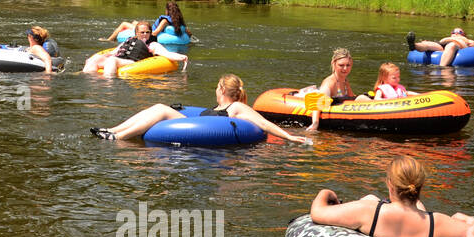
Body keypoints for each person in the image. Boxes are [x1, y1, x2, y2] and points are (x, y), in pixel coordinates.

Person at [309, 156, 474, 237]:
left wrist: (325, 192)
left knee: (370, 198)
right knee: (416, 209)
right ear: (421, 186)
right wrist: (462, 218)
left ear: (389, 184)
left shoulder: (366, 211)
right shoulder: (439, 224)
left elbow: (317, 213)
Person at [92, 74, 312, 143]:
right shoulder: (220, 105)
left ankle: (119, 137)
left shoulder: (236, 107)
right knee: (157, 107)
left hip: (204, 131)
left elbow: (263, 123)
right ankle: (113, 129)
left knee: (160, 108)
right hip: (193, 123)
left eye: (217, 86)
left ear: (223, 89)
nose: (215, 90)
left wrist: (289, 137)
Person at [82, 21, 188, 75]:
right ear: (137, 33)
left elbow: (167, 54)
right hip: (120, 58)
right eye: (142, 32)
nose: (145, 34)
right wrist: (102, 55)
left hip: (132, 62)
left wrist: (181, 57)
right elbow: (115, 51)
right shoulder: (130, 40)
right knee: (95, 58)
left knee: (112, 60)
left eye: (147, 32)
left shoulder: (152, 45)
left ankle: (108, 85)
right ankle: (89, 79)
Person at [292, 47, 354, 133]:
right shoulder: (329, 83)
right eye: (341, 65)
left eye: (348, 65)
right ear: (334, 64)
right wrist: (315, 123)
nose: (345, 69)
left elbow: (352, 98)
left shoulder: (345, 81)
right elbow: (318, 104)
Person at [407, 28, 474, 66]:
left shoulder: (466, 39)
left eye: (460, 32)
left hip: (456, 44)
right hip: (442, 44)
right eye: (454, 31)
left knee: (451, 45)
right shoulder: (448, 37)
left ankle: (442, 67)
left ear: (464, 34)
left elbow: (473, 44)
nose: (456, 33)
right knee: (428, 44)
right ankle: (414, 45)